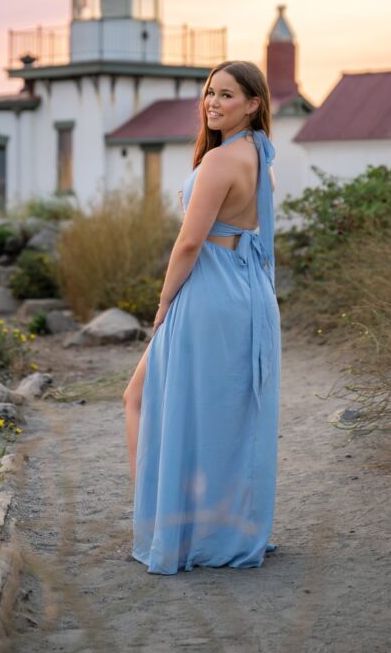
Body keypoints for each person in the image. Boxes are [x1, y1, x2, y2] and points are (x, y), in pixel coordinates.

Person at [123, 59, 282, 574]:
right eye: (210, 93)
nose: (213, 103)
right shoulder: (257, 153)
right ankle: (193, 525)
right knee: (216, 414)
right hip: (245, 287)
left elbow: (190, 242)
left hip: (209, 289)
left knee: (144, 398)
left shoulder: (220, 161)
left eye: (227, 96)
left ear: (254, 104)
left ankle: (166, 525)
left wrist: (165, 300)